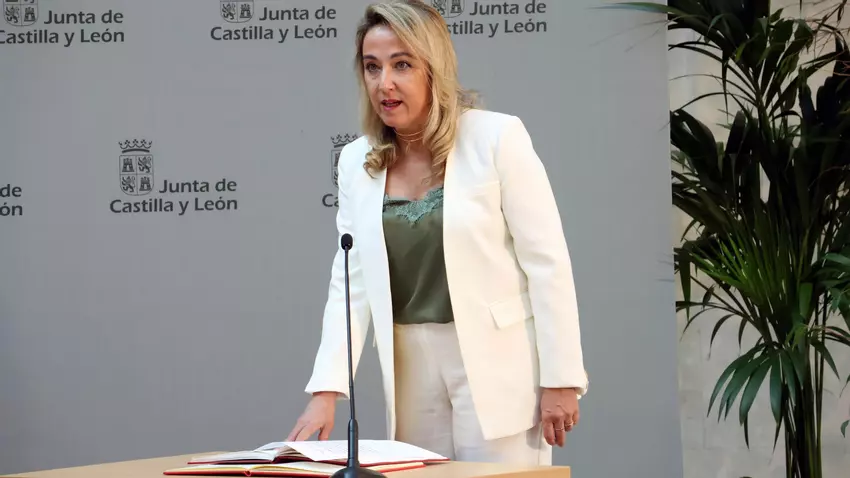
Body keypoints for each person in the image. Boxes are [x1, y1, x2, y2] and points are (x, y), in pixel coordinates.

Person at [286, 0, 588, 466]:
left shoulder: (497, 138)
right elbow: (350, 282)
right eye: (372, 67)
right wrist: (326, 390)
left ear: (434, 68)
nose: (384, 83)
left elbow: (547, 263)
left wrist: (561, 377)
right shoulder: (355, 161)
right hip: (410, 367)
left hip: (497, 364)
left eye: (402, 64)